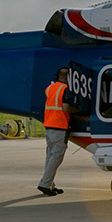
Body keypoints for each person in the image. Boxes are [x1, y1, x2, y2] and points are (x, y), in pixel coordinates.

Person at [38, 68, 71, 196]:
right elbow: (66, 108)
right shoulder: (65, 89)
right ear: (68, 77)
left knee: (50, 158)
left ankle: (49, 184)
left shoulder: (50, 88)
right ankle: (45, 184)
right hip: (60, 126)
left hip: (49, 126)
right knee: (56, 158)